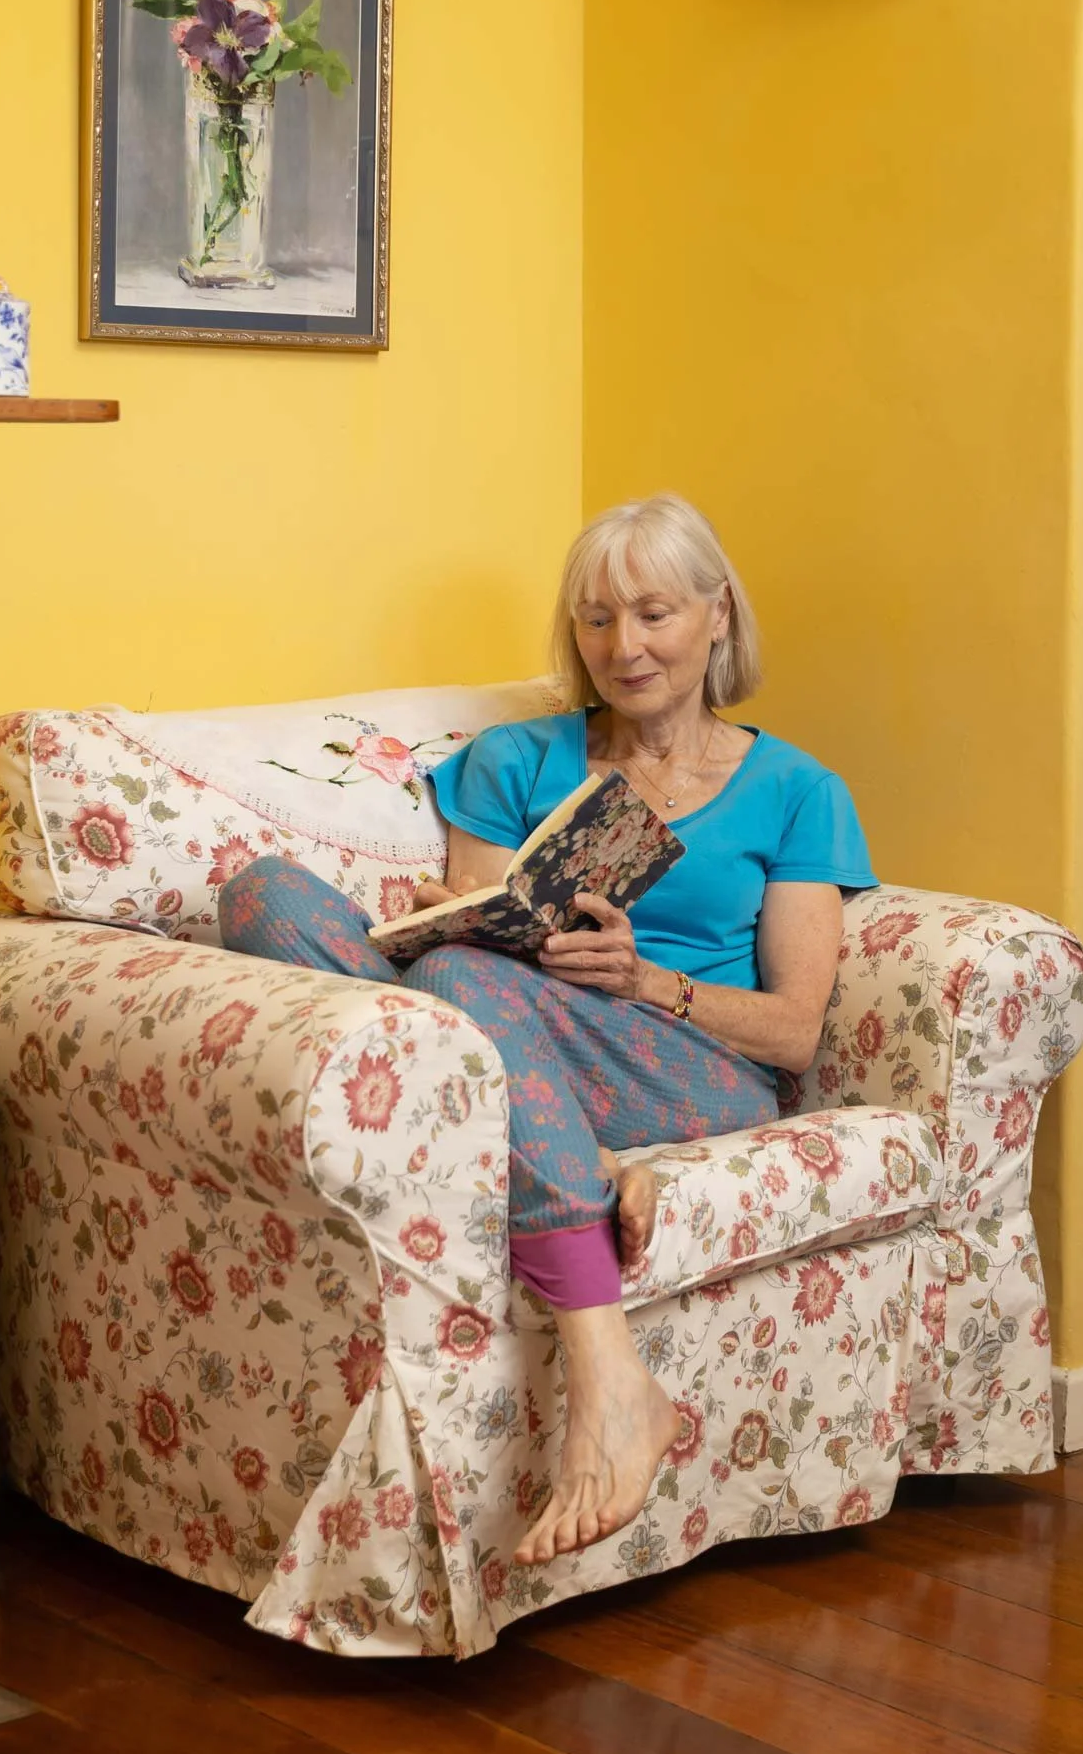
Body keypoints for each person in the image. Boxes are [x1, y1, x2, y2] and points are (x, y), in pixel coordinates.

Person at [218, 493, 876, 1563]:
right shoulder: (517, 759)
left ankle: (611, 1379)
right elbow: (464, 943)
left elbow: (796, 1033)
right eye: (598, 619)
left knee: (470, 984)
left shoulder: (799, 791)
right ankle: (585, 1151)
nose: (626, 646)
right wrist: (477, 928)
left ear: (718, 616)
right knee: (267, 896)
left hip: (694, 1065)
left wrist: (642, 978)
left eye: (655, 614)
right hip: (513, 1021)